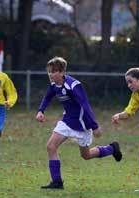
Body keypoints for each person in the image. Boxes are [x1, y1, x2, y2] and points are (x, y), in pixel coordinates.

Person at [36, 56, 122, 189]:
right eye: (49, 71)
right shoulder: (54, 84)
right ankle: (57, 182)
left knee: (86, 155)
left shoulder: (73, 85)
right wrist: (41, 110)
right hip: (67, 121)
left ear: (62, 72)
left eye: (53, 71)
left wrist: (94, 126)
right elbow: (48, 96)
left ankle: (111, 148)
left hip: (83, 124)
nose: (51, 74)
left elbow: (85, 104)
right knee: (51, 146)